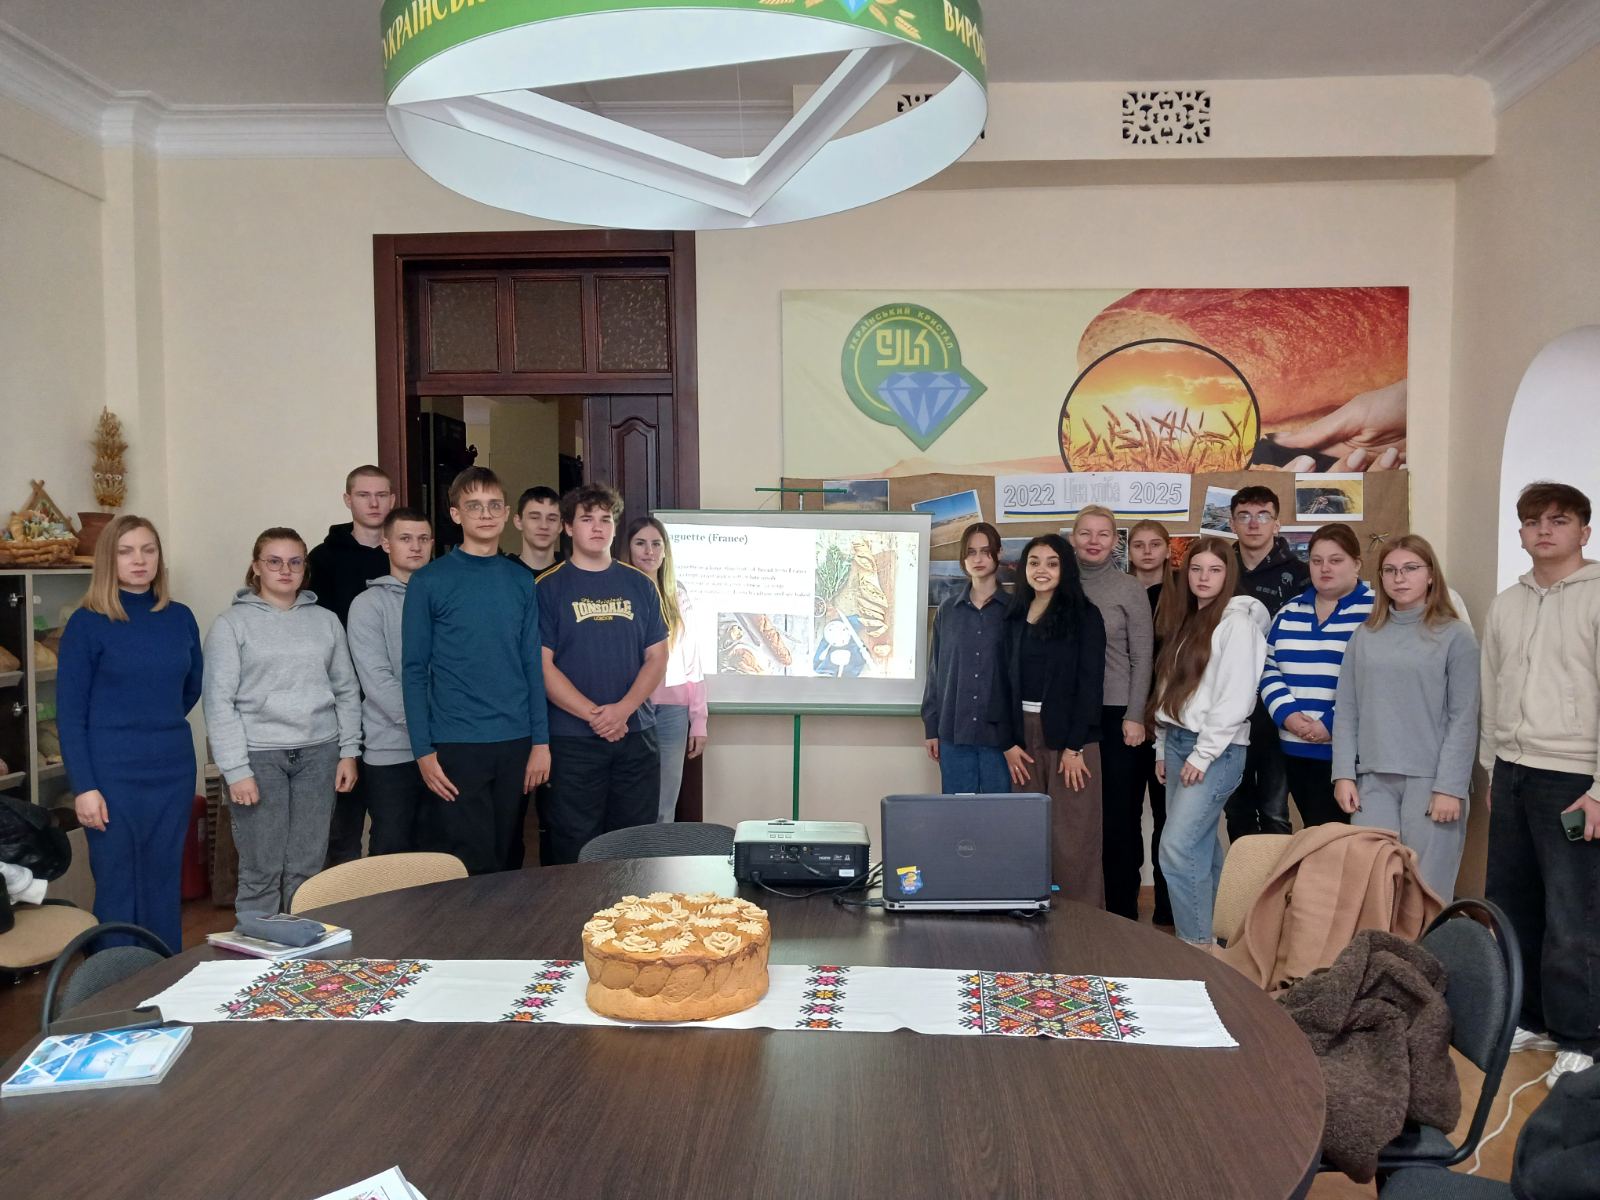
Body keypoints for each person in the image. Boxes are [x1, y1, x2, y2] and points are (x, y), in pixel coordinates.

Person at [1481, 481, 1600, 1086]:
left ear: (1584, 531)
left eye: (1558, 520)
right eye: (1533, 522)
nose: (1544, 530)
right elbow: (1492, 687)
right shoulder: (1508, 603)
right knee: (1513, 902)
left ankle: (1583, 1038)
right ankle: (1531, 1018)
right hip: (1513, 771)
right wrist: (1492, 768)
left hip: (1575, 778)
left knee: (1573, 912)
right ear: (1521, 533)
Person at [56, 516, 203, 952]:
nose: (139, 560)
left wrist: (153, 724)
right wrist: (85, 787)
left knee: (162, 879)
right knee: (117, 880)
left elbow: (191, 687)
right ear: (109, 559)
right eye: (126, 551)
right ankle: (115, 982)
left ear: (159, 557)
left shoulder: (180, 618)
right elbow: (70, 715)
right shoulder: (87, 623)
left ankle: (163, 974)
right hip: (110, 775)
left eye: (148, 550)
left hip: (172, 771)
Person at [202, 528, 361, 916]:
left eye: (294, 562)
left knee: (307, 867)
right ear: (256, 567)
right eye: (274, 561)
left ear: (305, 567)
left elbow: (346, 689)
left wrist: (348, 751)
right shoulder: (231, 624)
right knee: (261, 869)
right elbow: (219, 703)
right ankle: (258, 948)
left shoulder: (326, 621)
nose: (285, 570)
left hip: (319, 753)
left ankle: (301, 946)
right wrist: (236, 770)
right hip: (259, 758)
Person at [402, 467, 550, 875]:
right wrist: (422, 751)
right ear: (456, 514)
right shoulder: (429, 581)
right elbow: (413, 671)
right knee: (469, 861)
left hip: (515, 739)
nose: (485, 514)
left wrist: (541, 742)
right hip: (457, 741)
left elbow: (531, 665)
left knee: (508, 853)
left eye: (493, 505)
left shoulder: (521, 581)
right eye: (474, 506)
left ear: (505, 513)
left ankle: (506, 921)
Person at [1331, 535, 1478, 900]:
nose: (1399, 578)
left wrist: (1450, 788)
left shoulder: (1455, 635)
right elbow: (1347, 710)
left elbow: (1464, 718)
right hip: (1373, 781)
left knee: (1426, 893)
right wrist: (1343, 774)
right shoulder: (1365, 635)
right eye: (1390, 570)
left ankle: (1428, 945)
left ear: (1430, 575)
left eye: (1410, 568)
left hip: (1431, 783)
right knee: (1373, 890)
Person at [537, 483, 668, 864]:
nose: (597, 527)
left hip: (636, 734)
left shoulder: (640, 584)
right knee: (573, 843)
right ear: (568, 527)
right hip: (572, 739)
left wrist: (622, 711)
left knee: (634, 844)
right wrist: (596, 716)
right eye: (586, 519)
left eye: (606, 519)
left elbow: (657, 657)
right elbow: (541, 665)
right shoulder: (548, 587)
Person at [1150, 537, 1269, 948]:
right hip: (1178, 743)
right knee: (1199, 848)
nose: (1204, 578)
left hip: (1216, 751)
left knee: (1177, 849)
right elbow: (1168, 690)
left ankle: (1195, 946)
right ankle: (1218, 945)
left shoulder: (1238, 625)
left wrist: (1202, 755)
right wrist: (1162, 745)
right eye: (1196, 569)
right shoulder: (1186, 620)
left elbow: (1236, 699)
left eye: (1215, 570)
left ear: (1228, 575)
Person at [999, 534, 1106, 905]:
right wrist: (1008, 743)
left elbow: (1091, 685)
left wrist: (1075, 747)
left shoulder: (1085, 616)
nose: (1041, 570)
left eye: (1051, 562)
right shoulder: (1013, 616)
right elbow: (1002, 682)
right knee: (1025, 833)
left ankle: (1082, 921)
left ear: (1066, 569)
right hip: (1022, 739)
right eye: (1034, 562)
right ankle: (1031, 913)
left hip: (1071, 740)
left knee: (1072, 838)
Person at [308, 465, 396, 867]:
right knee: (342, 826)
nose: (374, 503)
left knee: (393, 825)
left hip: (394, 710)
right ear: (348, 500)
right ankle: (344, 902)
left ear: (393, 499)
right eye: (364, 495)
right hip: (340, 706)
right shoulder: (322, 560)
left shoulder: (405, 555)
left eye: (381, 495)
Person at [1259, 525, 1376, 827]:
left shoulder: (1376, 611)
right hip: (1297, 748)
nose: (1325, 568)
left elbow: (1378, 682)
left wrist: (1331, 724)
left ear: (1356, 564)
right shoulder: (1289, 611)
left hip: (1356, 755)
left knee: (1358, 843)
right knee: (1318, 836)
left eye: (1336, 560)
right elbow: (1268, 668)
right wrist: (1287, 715)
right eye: (1316, 560)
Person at [1070, 505, 1154, 921]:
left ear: (1114, 541)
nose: (1093, 541)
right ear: (1073, 538)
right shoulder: (1060, 583)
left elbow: (1143, 656)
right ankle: (1083, 907)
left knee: (1119, 817)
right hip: (1072, 717)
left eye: (1103, 534)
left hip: (1118, 714)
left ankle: (1122, 913)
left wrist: (1135, 715)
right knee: (1078, 816)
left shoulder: (1128, 588)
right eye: (1086, 533)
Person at [347, 508, 434, 855]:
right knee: (392, 848)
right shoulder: (367, 605)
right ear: (386, 544)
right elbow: (377, 681)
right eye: (405, 538)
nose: (416, 546)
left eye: (423, 539)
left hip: (445, 747)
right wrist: (425, 727)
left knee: (438, 849)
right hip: (391, 751)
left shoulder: (444, 598)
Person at [1225, 485, 1308, 843]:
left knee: (1275, 811)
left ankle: (1276, 881)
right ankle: (1243, 881)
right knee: (1236, 809)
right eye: (1244, 516)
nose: (1253, 524)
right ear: (1232, 523)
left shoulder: (1301, 575)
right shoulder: (1219, 569)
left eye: (1263, 515)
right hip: (1230, 708)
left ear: (1277, 523)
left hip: (1280, 707)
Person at [623, 516, 707, 822]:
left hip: (673, 710)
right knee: (631, 800)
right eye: (640, 543)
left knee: (664, 803)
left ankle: (658, 856)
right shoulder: (620, 592)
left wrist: (699, 720)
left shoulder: (677, 594)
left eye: (656, 544)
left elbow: (692, 659)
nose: (649, 551)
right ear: (628, 549)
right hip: (631, 707)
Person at [922, 522, 1012, 795]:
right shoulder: (948, 610)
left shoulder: (1015, 610)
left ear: (999, 553)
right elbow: (936, 673)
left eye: (985, 551)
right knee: (958, 815)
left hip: (1001, 737)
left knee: (999, 814)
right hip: (954, 734)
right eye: (971, 552)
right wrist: (931, 727)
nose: (978, 559)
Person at [1127, 519, 1174, 924]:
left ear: (1167, 549)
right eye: (1138, 545)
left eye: (1154, 544)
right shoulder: (1121, 591)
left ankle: (1168, 906)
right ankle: (1123, 904)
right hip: (1125, 721)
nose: (1146, 552)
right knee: (1125, 818)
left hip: (1169, 723)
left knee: (1167, 818)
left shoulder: (1182, 595)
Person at [512, 485, 564, 573]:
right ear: (518, 522)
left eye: (552, 519)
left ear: (561, 526)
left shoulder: (571, 573)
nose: (544, 526)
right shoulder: (504, 572)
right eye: (535, 518)